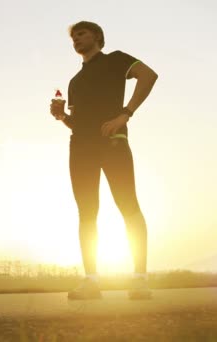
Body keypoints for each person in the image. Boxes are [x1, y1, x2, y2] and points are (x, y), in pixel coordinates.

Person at [49, 21, 158, 300]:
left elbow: (149, 75)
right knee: (86, 212)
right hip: (80, 148)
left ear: (97, 36)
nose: (76, 39)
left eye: (81, 34)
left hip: (113, 143)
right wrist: (62, 117)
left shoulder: (116, 60)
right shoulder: (75, 81)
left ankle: (140, 280)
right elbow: (78, 124)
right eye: (73, 37)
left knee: (127, 204)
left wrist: (125, 113)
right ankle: (91, 281)